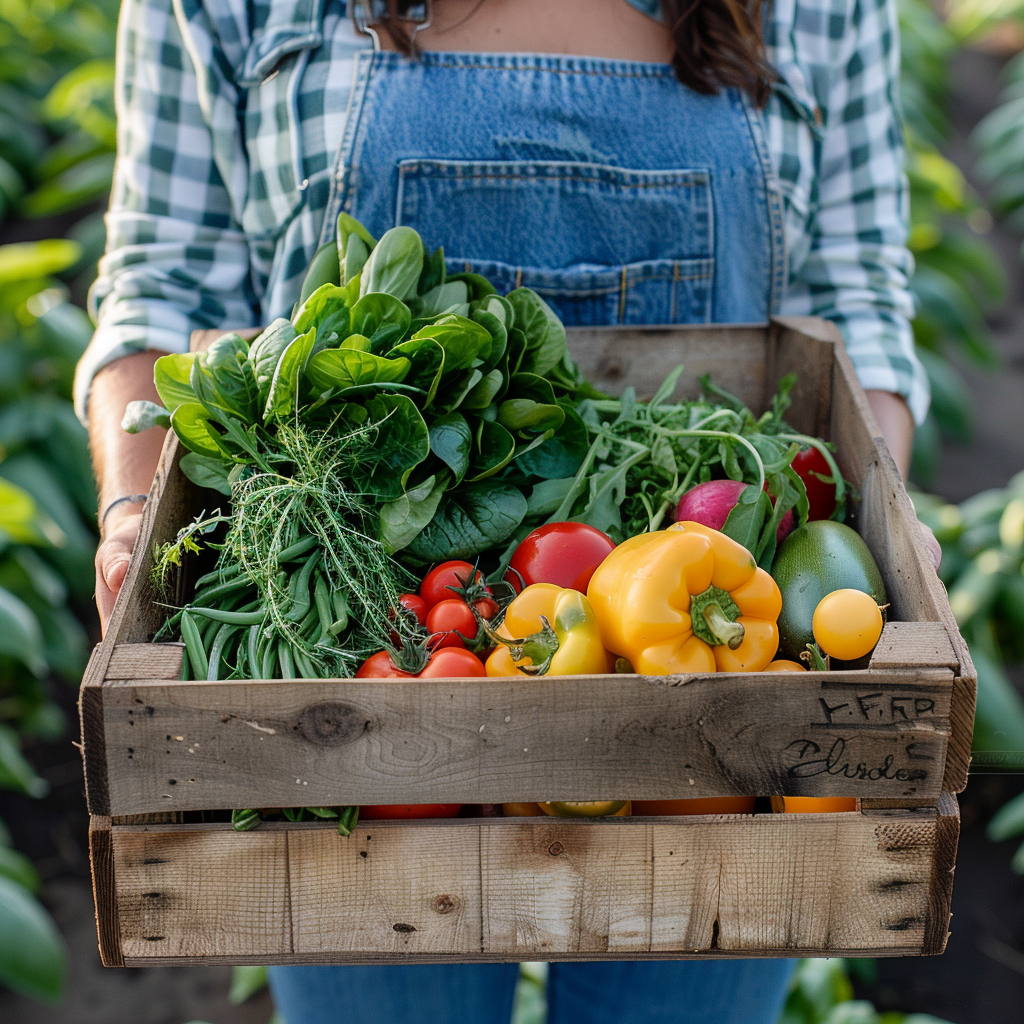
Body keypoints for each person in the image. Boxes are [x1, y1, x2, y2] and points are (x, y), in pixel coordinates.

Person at [76, 0, 929, 1020]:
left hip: (717, 711)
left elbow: (858, 292)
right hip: (350, 677)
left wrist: (889, 501)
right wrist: (136, 508)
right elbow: (160, 281)